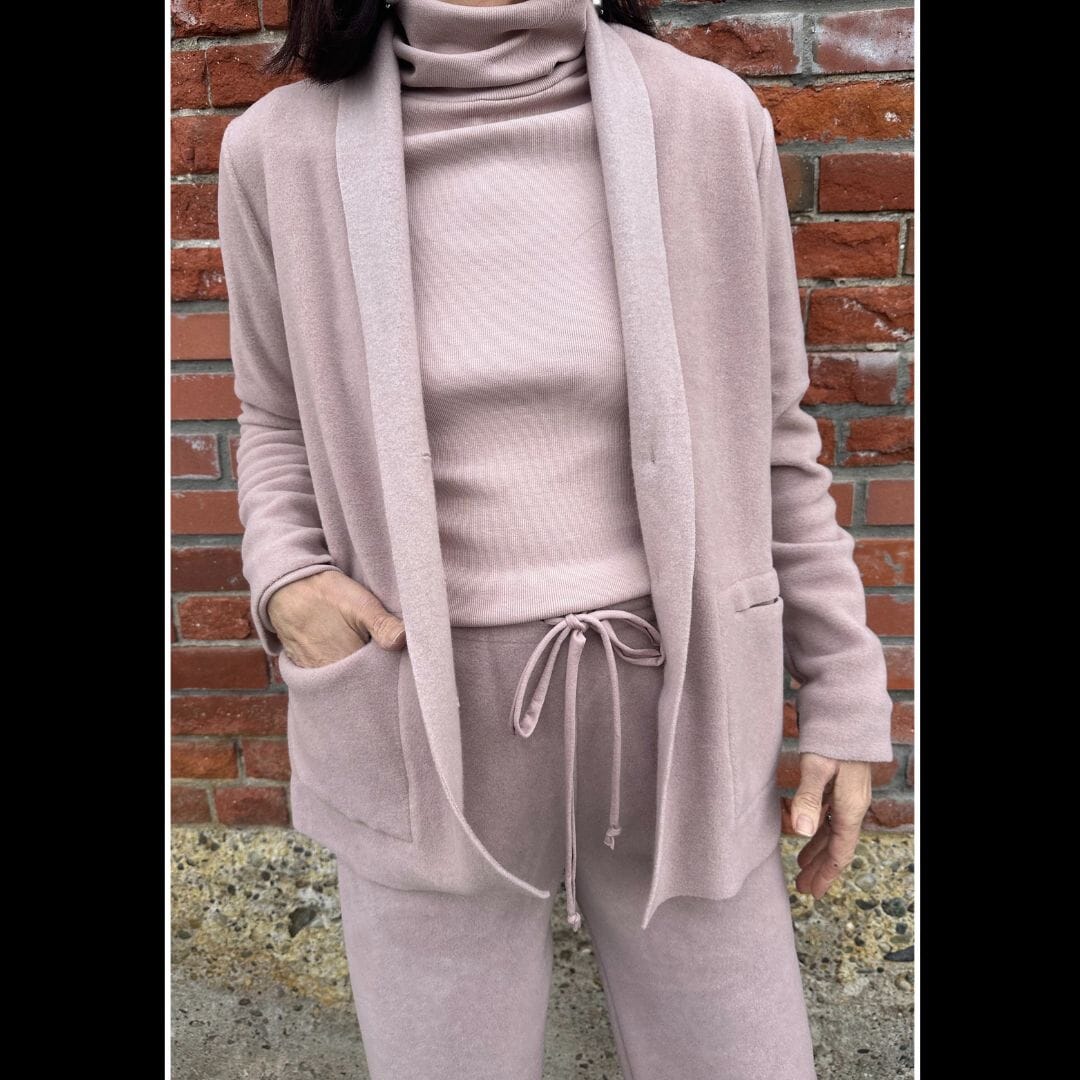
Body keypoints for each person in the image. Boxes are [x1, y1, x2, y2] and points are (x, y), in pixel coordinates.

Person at [215, 0, 897, 1076]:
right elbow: (274, 416)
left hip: (683, 718)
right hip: (410, 717)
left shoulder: (708, 119)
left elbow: (772, 431)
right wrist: (288, 578)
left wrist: (845, 686)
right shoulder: (277, 153)